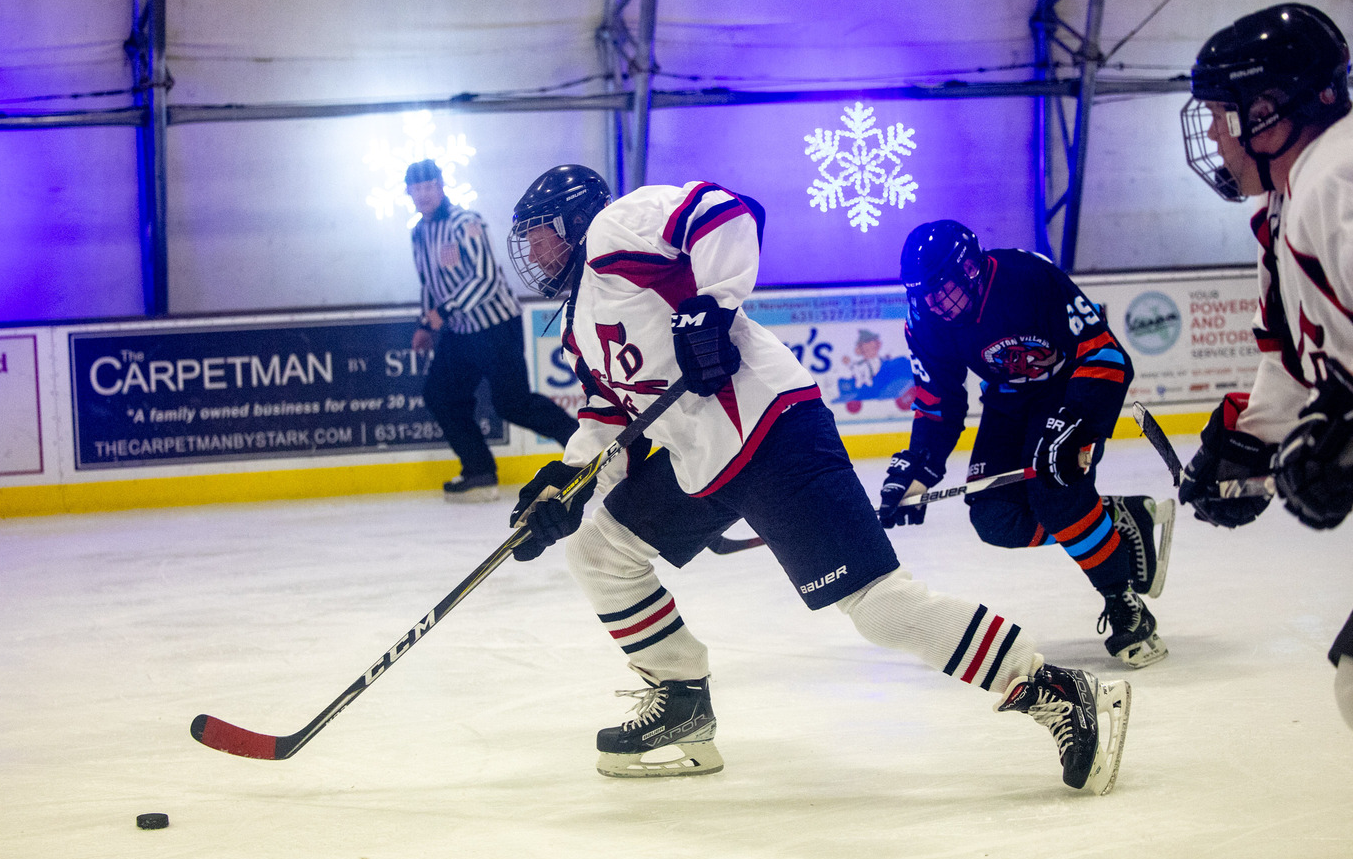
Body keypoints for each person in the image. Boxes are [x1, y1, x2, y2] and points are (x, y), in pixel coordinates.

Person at [501, 164, 1133, 794]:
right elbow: (610, 415)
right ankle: (680, 698)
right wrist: (567, 483)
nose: (530, 252)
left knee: (876, 607)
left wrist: (710, 309)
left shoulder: (617, 230)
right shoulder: (579, 324)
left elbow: (726, 210)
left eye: (537, 233)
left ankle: (1057, 689)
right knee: (599, 549)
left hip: (776, 432)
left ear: (574, 220)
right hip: (701, 460)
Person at [1177, 3, 1353, 843]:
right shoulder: (1289, 197)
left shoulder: (1346, 170)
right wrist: (1249, 442)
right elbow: (1287, 356)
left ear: (1267, 114)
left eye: (1220, 115)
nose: (1214, 136)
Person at [880, 220, 1175, 669]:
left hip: (1070, 390)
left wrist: (1075, 420)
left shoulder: (1027, 276)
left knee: (1056, 494)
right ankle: (1117, 518)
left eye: (943, 289)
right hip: (1008, 402)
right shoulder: (924, 320)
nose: (935, 303)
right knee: (995, 519)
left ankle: (1124, 600)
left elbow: (1105, 354)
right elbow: (938, 400)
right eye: (923, 292)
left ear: (972, 270)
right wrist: (919, 468)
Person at [403, 159, 578, 501]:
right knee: (440, 396)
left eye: (429, 187)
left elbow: (484, 279)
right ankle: (479, 472)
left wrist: (443, 311)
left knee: (513, 404)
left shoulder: (466, 223)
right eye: (417, 189)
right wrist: (426, 324)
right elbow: (429, 283)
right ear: (408, 193)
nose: (423, 194)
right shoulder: (418, 232)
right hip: (460, 331)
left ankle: (585, 450)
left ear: (441, 186)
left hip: (495, 327)